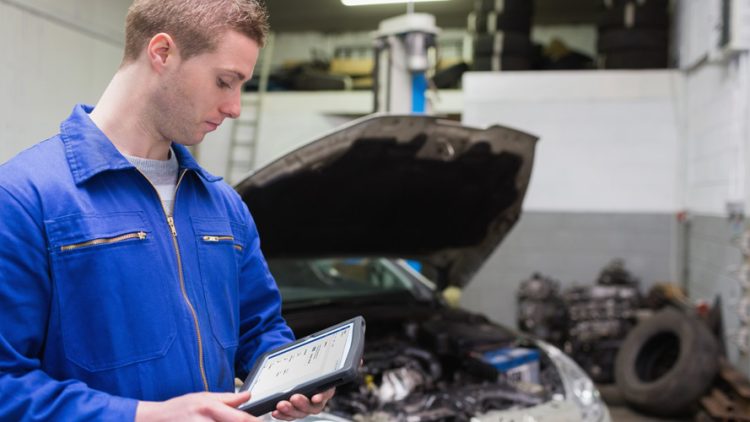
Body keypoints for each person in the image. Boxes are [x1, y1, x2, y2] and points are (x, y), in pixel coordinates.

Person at [0, 0, 334, 420]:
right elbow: (6, 384)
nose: (235, 107)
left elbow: (260, 329)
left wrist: (294, 377)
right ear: (162, 52)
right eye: (224, 81)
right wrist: (145, 416)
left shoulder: (225, 207)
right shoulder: (23, 199)